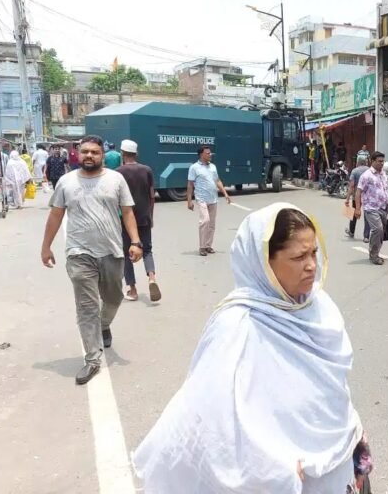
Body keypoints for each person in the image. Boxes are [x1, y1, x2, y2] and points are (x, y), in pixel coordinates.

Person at [132, 204, 370, 494]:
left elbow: (333, 390)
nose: (311, 265)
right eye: (298, 257)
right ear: (264, 263)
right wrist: (268, 467)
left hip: (338, 467)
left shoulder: (320, 306)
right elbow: (209, 420)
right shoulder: (237, 325)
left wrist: (353, 433)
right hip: (291, 481)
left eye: (313, 253)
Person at [40, 135, 143, 385]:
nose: (89, 156)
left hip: (111, 251)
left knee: (113, 298)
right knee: (86, 307)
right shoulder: (66, 182)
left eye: (94, 152)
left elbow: (128, 212)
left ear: (102, 156)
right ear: (78, 153)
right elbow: (55, 215)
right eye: (85, 151)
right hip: (79, 253)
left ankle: (104, 324)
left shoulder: (115, 180)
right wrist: (46, 247)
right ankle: (92, 359)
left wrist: (136, 242)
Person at [117, 139, 161, 303]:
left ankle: (133, 289)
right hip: (144, 217)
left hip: (126, 219)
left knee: (127, 252)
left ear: (122, 154)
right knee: (147, 250)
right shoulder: (147, 170)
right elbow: (151, 195)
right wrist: (151, 215)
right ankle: (151, 278)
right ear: (136, 154)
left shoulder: (118, 172)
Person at [187, 146, 231, 256]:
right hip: (201, 199)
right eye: (207, 153)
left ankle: (208, 246)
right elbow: (190, 184)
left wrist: (225, 194)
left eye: (210, 153)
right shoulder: (194, 167)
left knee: (212, 224)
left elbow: (217, 180)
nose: (210, 155)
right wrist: (189, 200)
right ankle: (202, 247)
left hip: (213, 198)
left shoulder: (213, 167)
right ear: (201, 155)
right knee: (205, 221)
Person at [355, 151, 388, 266]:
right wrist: (357, 208)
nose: (381, 164)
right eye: (379, 161)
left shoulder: (383, 174)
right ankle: (373, 255)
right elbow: (358, 192)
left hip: (383, 208)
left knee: (382, 232)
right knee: (377, 229)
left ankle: (376, 252)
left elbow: (386, 189)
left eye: (383, 161)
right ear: (373, 161)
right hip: (371, 208)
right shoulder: (366, 176)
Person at [345, 155, 371, 242]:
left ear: (358, 162)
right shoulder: (370, 170)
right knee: (367, 215)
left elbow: (351, 186)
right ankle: (366, 236)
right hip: (368, 196)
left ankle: (351, 231)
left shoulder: (355, 171)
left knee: (353, 214)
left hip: (357, 196)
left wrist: (347, 199)